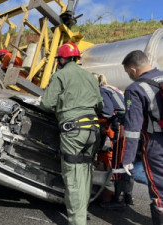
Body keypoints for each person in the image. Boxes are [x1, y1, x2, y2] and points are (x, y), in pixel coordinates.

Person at [40, 42, 103, 225]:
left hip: (73, 132)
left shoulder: (60, 75)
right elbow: (100, 105)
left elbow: (46, 104)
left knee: (73, 177)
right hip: (93, 131)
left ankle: (77, 222)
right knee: (84, 174)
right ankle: (81, 216)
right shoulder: (91, 77)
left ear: (62, 58)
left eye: (59, 58)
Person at [121, 50, 163, 225]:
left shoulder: (134, 89)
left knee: (160, 189)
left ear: (132, 70)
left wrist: (128, 158)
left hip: (155, 143)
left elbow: (133, 127)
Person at [93, 73, 133, 208]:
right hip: (130, 126)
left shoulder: (101, 90)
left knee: (118, 164)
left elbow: (108, 112)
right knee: (126, 161)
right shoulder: (112, 88)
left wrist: (94, 115)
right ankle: (128, 197)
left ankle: (117, 201)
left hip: (120, 127)